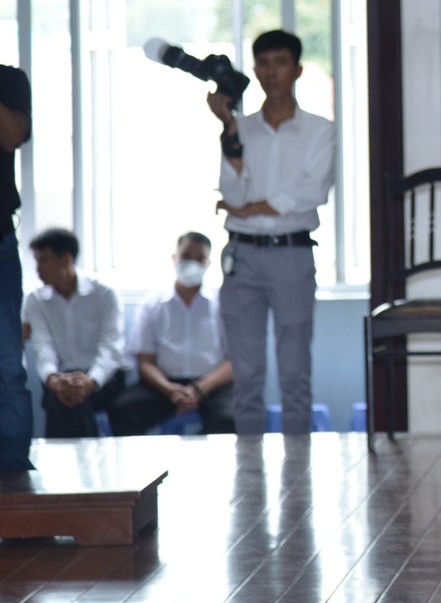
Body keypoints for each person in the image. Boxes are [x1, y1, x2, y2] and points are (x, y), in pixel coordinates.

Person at [208, 29, 334, 437]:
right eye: (263, 64)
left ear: (297, 70)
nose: (271, 72)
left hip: (291, 254)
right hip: (242, 254)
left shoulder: (320, 130)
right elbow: (231, 192)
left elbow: (311, 192)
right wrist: (228, 126)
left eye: (280, 63)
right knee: (245, 373)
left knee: (295, 370)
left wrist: (249, 208)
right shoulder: (240, 128)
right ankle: (249, 464)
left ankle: (298, 464)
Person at [110, 232, 234, 436]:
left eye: (199, 258)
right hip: (163, 385)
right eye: (186, 256)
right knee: (123, 410)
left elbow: (234, 361)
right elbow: (145, 362)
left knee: (230, 419)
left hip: (212, 386)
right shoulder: (152, 304)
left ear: (208, 263)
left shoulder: (224, 303)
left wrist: (199, 389)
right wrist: (169, 389)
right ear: (174, 258)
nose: (192, 263)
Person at [22, 229, 126, 439]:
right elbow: (43, 347)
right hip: (60, 376)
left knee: (75, 401)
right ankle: (87, 457)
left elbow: (110, 348)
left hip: (104, 377)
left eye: (43, 260)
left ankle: (67, 458)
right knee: (63, 399)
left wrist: (90, 382)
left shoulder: (105, 294)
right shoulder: (35, 300)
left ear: (66, 259)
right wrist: (53, 378)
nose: (38, 269)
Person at [0, 66, 32, 469]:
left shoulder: (9, 81)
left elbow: (12, 135)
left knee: (7, 367)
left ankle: (12, 479)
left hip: (0, 244)